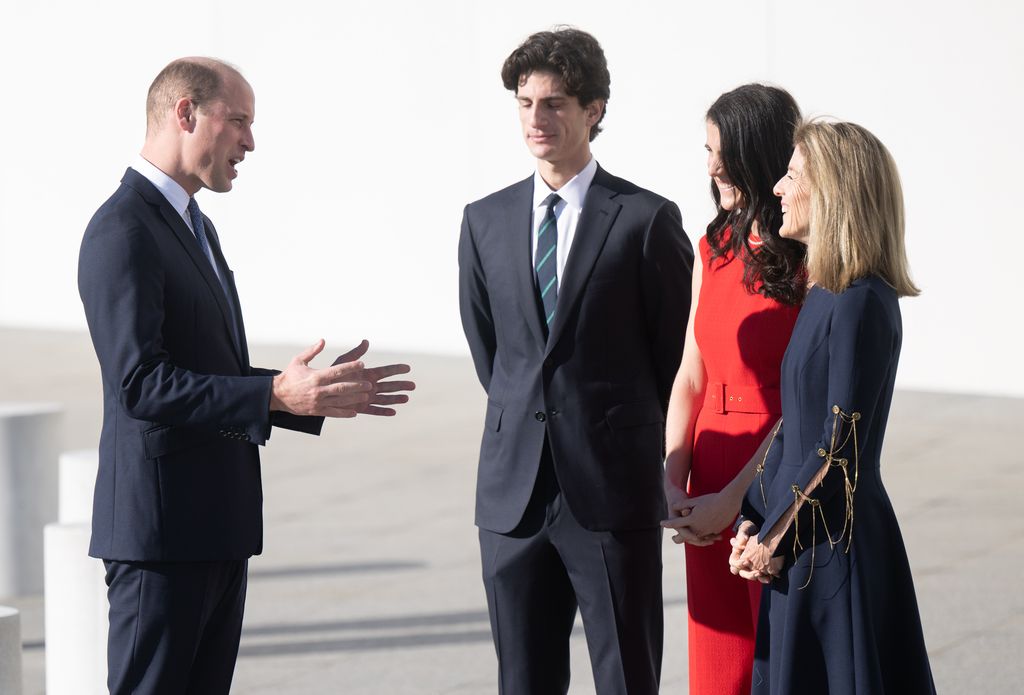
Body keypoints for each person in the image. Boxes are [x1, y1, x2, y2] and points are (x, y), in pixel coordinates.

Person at [77, 57, 414, 695]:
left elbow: (209, 372)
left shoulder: (193, 224)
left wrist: (304, 397)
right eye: (238, 122)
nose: (250, 142)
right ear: (185, 113)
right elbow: (139, 384)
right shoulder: (123, 230)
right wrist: (270, 394)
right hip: (161, 538)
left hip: (214, 527)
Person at [458, 27, 693, 695]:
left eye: (555, 102)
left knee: (627, 677)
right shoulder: (484, 220)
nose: (537, 118)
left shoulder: (646, 220)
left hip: (611, 490)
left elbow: (672, 357)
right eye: (525, 102)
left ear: (593, 110)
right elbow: (493, 352)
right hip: (513, 501)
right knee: (522, 681)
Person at [728, 120, 935, 694]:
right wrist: (753, 518)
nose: (777, 188)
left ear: (834, 192)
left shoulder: (862, 301)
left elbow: (838, 446)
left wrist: (773, 538)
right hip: (803, 538)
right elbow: (794, 427)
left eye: (792, 175)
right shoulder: (825, 292)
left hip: (832, 548)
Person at [660, 84, 805, 695]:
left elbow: (808, 397)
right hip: (707, 468)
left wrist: (737, 498)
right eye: (707, 152)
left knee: (776, 661)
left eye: (725, 152)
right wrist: (669, 478)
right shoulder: (712, 245)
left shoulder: (807, 256)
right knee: (718, 666)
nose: (713, 167)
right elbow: (691, 371)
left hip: (774, 470)